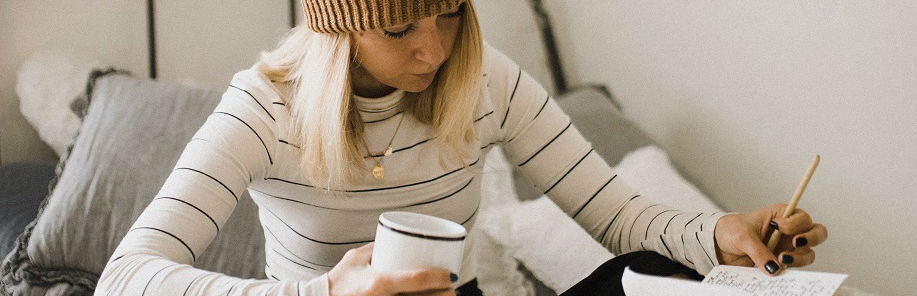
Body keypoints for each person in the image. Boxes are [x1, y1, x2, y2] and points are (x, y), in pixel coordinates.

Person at [94, 0, 828, 295]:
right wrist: (323, 293)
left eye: (448, 14)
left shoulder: (485, 81)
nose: (434, 49)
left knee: (650, 272)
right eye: (400, 28)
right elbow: (125, 278)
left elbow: (619, 215)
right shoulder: (265, 106)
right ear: (339, 28)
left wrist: (716, 234)